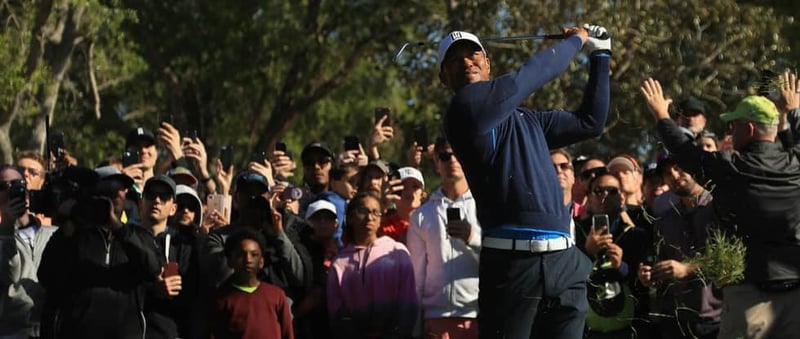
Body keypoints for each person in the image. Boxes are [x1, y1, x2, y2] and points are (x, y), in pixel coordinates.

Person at [439, 24, 611, 338]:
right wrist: (578, 40)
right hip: (512, 266)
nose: (467, 62)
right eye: (455, 60)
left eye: (473, 54)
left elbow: (591, 122)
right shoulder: (465, 109)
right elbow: (533, 73)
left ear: (488, 63)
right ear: (444, 78)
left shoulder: (528, 119)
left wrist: (601, 55)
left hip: (564, 262)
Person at [640, 72, 800, 339]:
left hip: (749, 299)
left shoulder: (731, 168)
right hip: (796, 295)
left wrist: (661, 115)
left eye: (734, 125)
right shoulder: (796, 164)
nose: (730, 131)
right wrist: (793, 110)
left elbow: (682, 150)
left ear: (749, 129)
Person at [38, 170, 162, 339]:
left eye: (123, 188)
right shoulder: (74, 235)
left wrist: (117, 227)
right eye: (110, 188)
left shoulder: (138, 235)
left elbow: (153, 268)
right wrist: (71, 222)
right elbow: (47, 276)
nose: (118, 193)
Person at [637, 158, 722, 339]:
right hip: (678, 322)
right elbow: (663, 268)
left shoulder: (720, 207)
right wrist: (651, 275)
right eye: (667, 173)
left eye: (678, 168)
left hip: (721, 317)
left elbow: (731, 259)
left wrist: (687, 268)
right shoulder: (664, 221)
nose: (674, 175)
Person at [406, 138, 481, 339]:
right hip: (435, 319)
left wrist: (472, 237)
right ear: (437, 163)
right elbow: (416, 276)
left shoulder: (486, 209)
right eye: (445, 156)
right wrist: (415, 324)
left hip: (477, 316)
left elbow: (498, 262)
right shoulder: (421, 215)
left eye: (459, 155)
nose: (452, 161)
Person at [326, 193, 418, 338]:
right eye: (363, 211)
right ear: (349, 218)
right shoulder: (339, 263)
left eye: (375, 212)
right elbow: (337, 313)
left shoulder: (396, 252)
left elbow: (408, 302)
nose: (370, 218)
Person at [575, 173, 651, 338]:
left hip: (628, 330)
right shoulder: (574, 233)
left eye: (612, 191)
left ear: (622, 197)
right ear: (588, 197)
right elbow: (566, 276)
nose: (605, 195)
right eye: (598, 191)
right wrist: (587, 252)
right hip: (586, 330)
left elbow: (644, 286)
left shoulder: (636, 236)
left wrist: (621, 267)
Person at [0, 166, 57, 338]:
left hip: (51, 331)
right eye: (3, 186)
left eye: (17, 184)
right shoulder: (2, 237)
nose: (11, 190)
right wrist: (7, 228)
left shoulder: (54, 234)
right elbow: (7, 272)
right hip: (12, 333)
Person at [209, 229, 294, 339]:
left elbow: (287, 334)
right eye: (241, 255)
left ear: (261, 262)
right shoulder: (222, 299)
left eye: (254, 255)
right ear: (230, 261)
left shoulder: (277, 296)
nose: (248, 260)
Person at [380, 166, 425, 243]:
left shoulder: (431, 224)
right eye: (403, 186)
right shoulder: (383, 226)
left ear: (423, 195)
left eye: (415, 186)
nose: (409, 191)